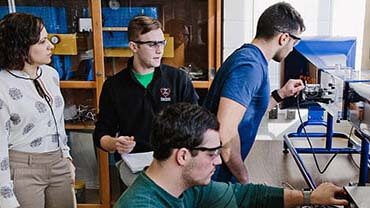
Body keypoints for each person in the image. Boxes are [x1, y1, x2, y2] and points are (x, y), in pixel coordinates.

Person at [114, 103, 348, 208]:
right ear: (183, 155)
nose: (218, 160)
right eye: (212, 153)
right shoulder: (141, 204)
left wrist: (309, 198)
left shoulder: (185, 185)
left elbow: (246, 195)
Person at [203, 2, 306, 183]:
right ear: (283, 38)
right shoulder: (249, 67)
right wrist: (243, 177)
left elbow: (249, 110)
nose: (292, 48)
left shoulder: (250, 59)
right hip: (215, 174)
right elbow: (225, 131)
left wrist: (280, 94)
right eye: (294, 41)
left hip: (221, 169)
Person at [93, 15, 198, 185]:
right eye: (152, 44)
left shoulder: (178, 79)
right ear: (133, 46)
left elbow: (196, 124)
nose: (159, 50)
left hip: (173, 162)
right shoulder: (113, 86)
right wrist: (115, 144)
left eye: (162, 43)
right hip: (133, 164)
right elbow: (101, 133)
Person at [0, 13, 75, 208]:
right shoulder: (3, 85)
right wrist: (5, 197)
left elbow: (57, 122)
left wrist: (66, 156)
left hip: (58, 162)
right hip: (22, 168)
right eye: (42, 42)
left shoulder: (51, 74)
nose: (51, 46)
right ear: (21, 47)